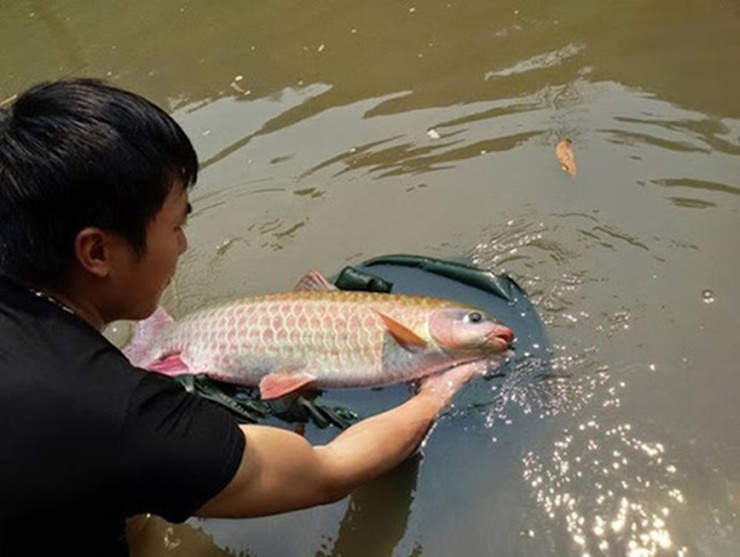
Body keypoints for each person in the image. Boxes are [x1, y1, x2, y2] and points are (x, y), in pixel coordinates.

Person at [0, 79, 486, 556]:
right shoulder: (121, 415)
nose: (183, 246)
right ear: (97, 251)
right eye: (176, 226)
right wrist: (437, 392)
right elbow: (326, 471)